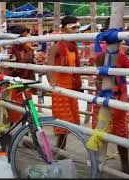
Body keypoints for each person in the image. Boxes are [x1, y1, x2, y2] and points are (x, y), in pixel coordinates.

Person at [91, 46, 129, 175]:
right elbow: (99, 79)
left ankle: (124, 165)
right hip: (109, 97)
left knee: (120, 133)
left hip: (116, 97)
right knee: (102, 133)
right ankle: (99, 164)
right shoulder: (104, 55)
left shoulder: (116, 54)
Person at [46, 16, 82, 150]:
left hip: (71, 87)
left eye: (78, 27)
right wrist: (53, 84)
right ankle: (60, 150)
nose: (77, 30)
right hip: (60, 88)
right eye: (74, 27)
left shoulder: (73, 47)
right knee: (63, 120)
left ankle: (61, 149)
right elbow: (48, 67)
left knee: (70, 119)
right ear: (64, 28)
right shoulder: (56, 46)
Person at [3, 25, 35, 124]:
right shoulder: (9, 51)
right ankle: (16, 130)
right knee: (15, 110)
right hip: (14, 82)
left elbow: (32, 68)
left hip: (26, 82)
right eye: (23, 36)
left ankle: (27, 130)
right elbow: (5, 71)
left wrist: (33, 84)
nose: (25, 38)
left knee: (29, 107)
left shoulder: (29, 50)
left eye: (26, 36)